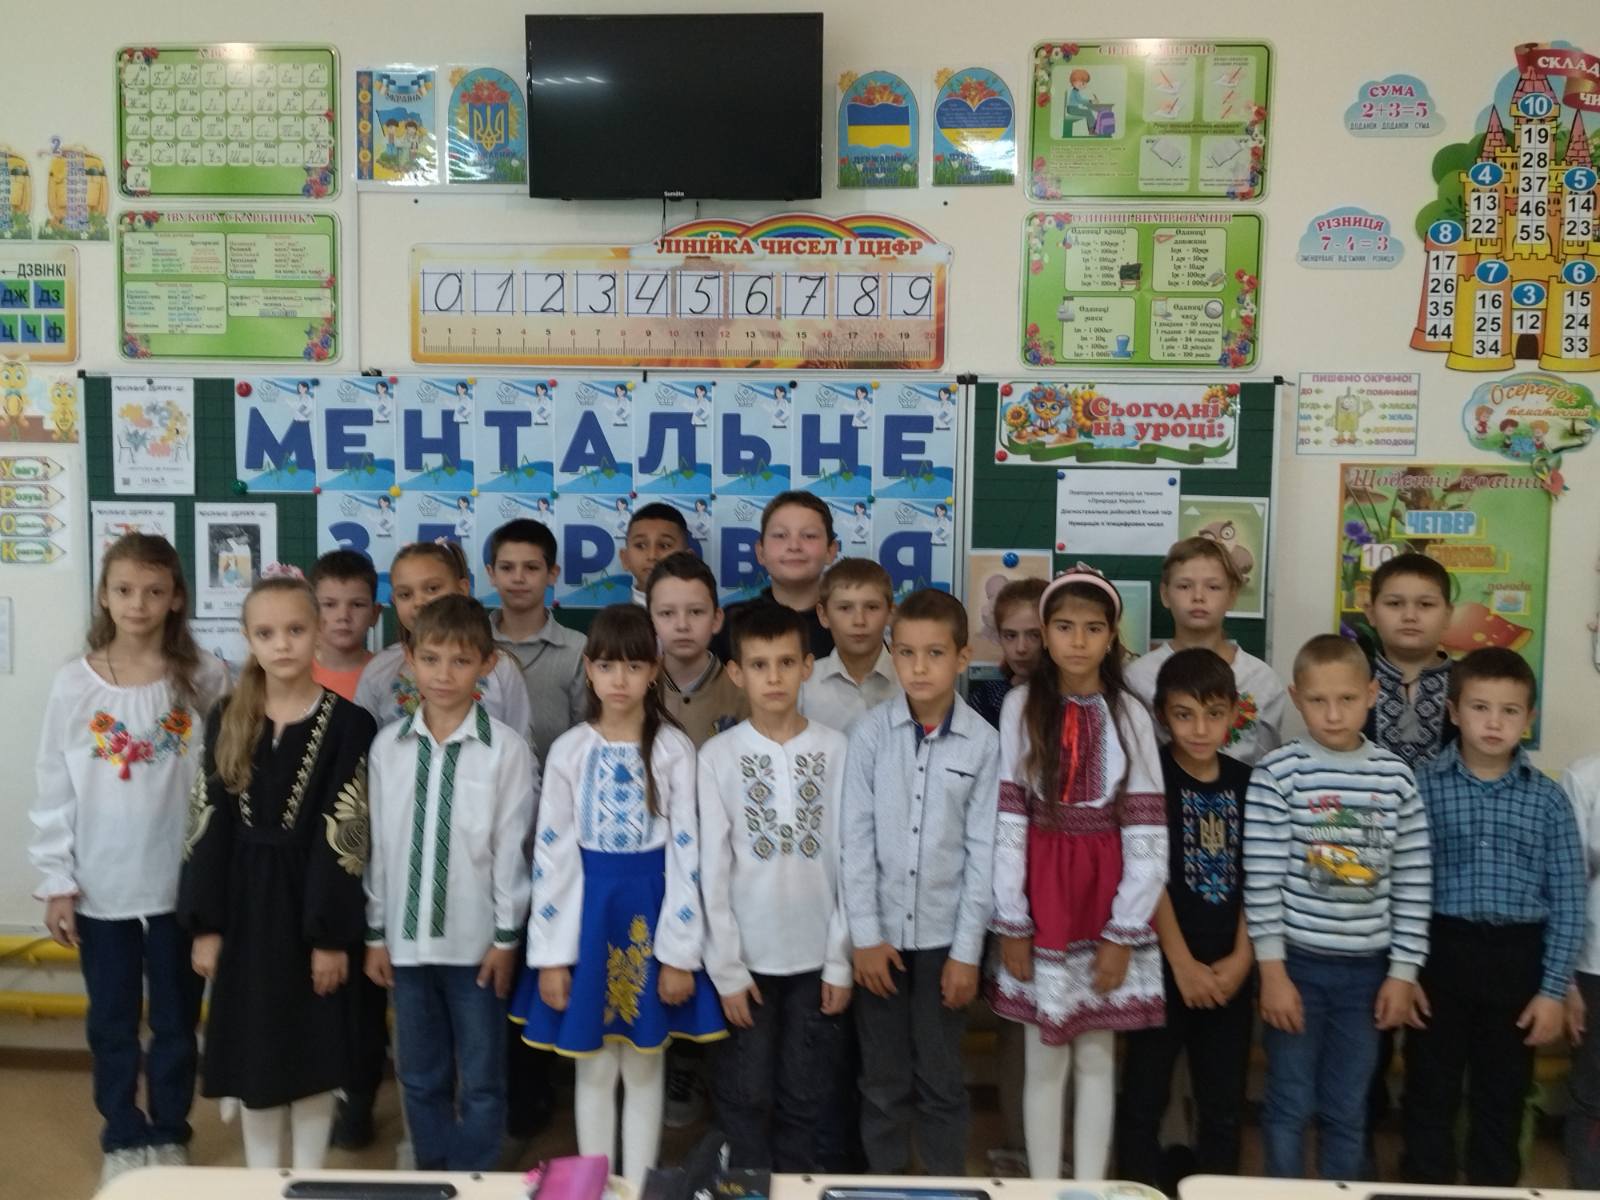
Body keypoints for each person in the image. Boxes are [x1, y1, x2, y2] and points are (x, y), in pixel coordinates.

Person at [30, 534, 230, 1187]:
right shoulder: (75, 682)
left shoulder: (205, 676)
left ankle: (169, 1129)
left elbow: (225, 781)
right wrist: (58, 880)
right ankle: (121, 1130)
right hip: (101, 886)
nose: (138, 603)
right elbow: (53, 786)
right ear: (104, 596)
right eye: (124, 590)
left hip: (178, 886)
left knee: (175, 1019)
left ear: (176, 598)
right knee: (112, 1021)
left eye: (153, 590)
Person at [510, 605, 724, 1186]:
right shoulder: (570, 751)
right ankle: (594, 1185)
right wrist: (553, 956)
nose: (620, 679)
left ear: (654, 670)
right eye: (607, 666)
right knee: (596, 1065)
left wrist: (679, 954)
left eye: (633, 665)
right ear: (588, 669)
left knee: (647, 1064)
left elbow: (688, 856)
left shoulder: (674, 750)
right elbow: (552, 857)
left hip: (652, 915)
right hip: (587, 919)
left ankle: (640, 1185)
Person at [180, 572, 376, 1168]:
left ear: (318, 632)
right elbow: (207, 825)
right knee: (255, 1051)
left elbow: (345, 837)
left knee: (314, 1050)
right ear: (248, 639)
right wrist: (207, 926)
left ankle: (308, 1177)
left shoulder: (350, 724)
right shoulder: (226, 717)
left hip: (311, 907)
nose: (282, 643)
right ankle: (263, 1182)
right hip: (243, 912)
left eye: (295, 629)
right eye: (266, 633)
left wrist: (330, 938)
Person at [987, 566, 1167, 1181]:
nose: (1078, 640)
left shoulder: (1131, 713)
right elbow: (1009, 818)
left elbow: (1146, 828)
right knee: (1045, 1056)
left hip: (1105, 895)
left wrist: (1123, 931)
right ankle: (1044, 1187)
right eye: (1064, 627)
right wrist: (1013, 919)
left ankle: (1088, 1187)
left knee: (1096, 1056)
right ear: (1045, 633)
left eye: (1093, 628)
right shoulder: (1020, 705)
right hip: (1044, 897)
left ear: (1112, 636)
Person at [1244, 633, 1431, 1180]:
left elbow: (1414, 880)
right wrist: (1272, 973)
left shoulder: (1395, 778)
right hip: (1297, 967)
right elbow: (1262, 882)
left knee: (1347, 1109)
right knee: (1289, 1102)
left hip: (1367, 973)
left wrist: (1403, 972)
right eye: (1318, 700)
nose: (1332, 714)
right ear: (1296, 698)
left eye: (1347, 699)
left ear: (1371, 694)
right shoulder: (1278, 773)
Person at [364, 595, 537, 1170]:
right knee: (419, 1074)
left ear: (488, 664)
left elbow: (510, 851)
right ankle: (434, 1173)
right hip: (406, 946)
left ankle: (474, 1175)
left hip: (477, 947)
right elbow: (380, 849)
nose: (444, 675)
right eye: (431, 659)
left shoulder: (506, 750)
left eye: (461, 661)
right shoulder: (387, 747)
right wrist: (375, 933)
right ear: (409, 660)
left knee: (482, 1076)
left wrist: (506, 938)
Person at [1401, 648, 1584, 1186]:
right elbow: (1401, 884)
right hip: (1439, 953)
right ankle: (1424, 1189)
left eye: (1510, 711)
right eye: (1480, 707)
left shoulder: (1549, 800)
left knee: (1501, 1095)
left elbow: (1568, 900)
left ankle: (1494, 1190)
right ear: (1454, 712)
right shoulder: (1421, 785)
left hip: (1516, 961)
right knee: (1428, 1089)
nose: (1494, 722)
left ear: (1529, 719)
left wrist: (1552, 990)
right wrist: (1404, 972)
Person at [841, 588, 999, 1176]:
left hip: (943, 944)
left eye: (935, 653)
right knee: (882, 1080)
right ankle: (882, 1182)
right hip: (880, 938)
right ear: (893, 655)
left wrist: (967, 953)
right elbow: (854, 840)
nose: (920, 667)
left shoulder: (984, 744)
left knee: (940, 1078)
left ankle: (943, 1184)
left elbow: (984, 855)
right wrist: (864, 936)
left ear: (962, 657)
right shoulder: (870, 735)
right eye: (906, 653)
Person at [698, 603, 852, 1169]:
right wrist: (727, 970)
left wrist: (840, 961)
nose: (774, 677)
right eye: (759, 665)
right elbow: (711, 870)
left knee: (806, 1095)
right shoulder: (718, 757)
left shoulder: (836, 750)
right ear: (736, 673)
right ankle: (746, 1186)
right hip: (747, 965)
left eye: (787, 662)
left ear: (808, 666)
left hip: (816, 962)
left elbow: (850, 861)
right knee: (744, 1094)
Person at [1116, 649, 1255, 1192]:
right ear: (1160, 715)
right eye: (1184, 714)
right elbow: (1145, 873)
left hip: (1231, 970)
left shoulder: (1250, 783)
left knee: (1223, 1104)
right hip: (1161, 965)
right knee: (1143, 1098)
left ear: (1234, 713)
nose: (1200, 729)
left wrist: (1242, 958)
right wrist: (1182, 964)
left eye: (1214, 714)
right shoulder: (1149, 780)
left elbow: (1261, 876)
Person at [354, 539, 532, 748]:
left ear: (462, 588)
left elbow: (522, 747)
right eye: (405, 594)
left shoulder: (500, 668)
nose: (419, 602)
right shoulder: (379, 670)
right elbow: (360, 750)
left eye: (432, 588)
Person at [1125, 537, 1286, 765]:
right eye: (1184, 586)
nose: (1198, 597)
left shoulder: (1262, 680)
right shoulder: (1138, 677)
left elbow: (1268, 765)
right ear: (1165, 594)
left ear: (1232, 595)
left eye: (1213, 587)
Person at [486, 518, 586, 766]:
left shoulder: (576, 648)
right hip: (483, 783)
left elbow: (587, 734)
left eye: (531, 568)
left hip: (558, 782)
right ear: (491, 574)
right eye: (507, 568)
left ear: (552, 574)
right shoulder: (471, 645)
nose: (518, 578)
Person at [714, 491, 840, 661]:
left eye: (809, 536)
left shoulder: (850, 622)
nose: (794, 546)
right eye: (780, 535)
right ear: (761, 552)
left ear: (831, 551)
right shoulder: (732, 622)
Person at [1361, 551, 1456, 769]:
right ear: (1371, 613)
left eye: (1426, 604)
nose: (1410, 616)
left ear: (1448, 615)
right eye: (1395, 603)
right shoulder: (1350, 682)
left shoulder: (1471, 684)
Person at [648, 552, 747, 749]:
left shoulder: (743, 692)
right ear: (650, 621)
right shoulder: (636, 689)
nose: (682, 625)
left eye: (695, 612)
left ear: (716, 619)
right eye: (667, 613)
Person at [799, 557, 899, 727]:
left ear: (890, 613)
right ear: (823, 615)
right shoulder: (803, 686)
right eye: (845, 608)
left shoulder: (910, 682)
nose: (859, 621)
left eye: (872, 607)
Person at [1562, 744, 1600, 1188]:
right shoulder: (1585, 777)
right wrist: (1566, 983)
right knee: (1593, 1097)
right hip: (1594, 968)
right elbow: (1568, 885)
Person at [968, 577, 1046, 729]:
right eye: (1010, 635)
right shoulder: (985, 700)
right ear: (999, 636)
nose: (1021, 648)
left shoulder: (1072, 700)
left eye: (1034, 635)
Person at [309, 549, 381, 703]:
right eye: (329, 604)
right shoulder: (295, 674)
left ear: (374, 614)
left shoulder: (387, 676)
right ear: (310, 611)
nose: (343, 616)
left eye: (357, 604)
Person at [621, 501, 690, 609]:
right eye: (640, 545)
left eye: (665, 546)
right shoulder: (613, 619)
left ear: (688, 559)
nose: (652, 556)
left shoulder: (707, 617)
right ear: (625, 559)